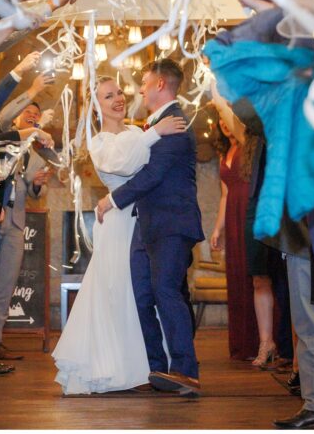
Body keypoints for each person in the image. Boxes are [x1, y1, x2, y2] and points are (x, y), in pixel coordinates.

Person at [54, 77, 187, 394]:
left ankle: (152, 364)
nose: (117, 99)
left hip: (144, 219)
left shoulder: (133, 132)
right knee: (120, 293)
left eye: (119, 93)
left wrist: (152, 134)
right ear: (96, 107)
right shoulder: (99, 142)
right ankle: (116, 366)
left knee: (143, 295)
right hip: (118, 224)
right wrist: (156, 132)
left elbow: (150, 169)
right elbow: (124, 164)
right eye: (107, 96)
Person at [96, 59, 204, 396]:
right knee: (143, 295)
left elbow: (153, 175)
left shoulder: (176, 123)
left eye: (144, 81)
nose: (139, 89)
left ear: (160, 84)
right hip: (147, 224)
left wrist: (111, 200)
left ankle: (186, 372)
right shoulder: (155, 125)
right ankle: (156, 367)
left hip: (171, 223)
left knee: (167, 291)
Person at [0, 102, 52, 360]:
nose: (32, 117)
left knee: (5, 284)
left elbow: (40, 194)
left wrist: (38, 185)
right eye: (28, 112)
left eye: (37, 115)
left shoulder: (35, 157)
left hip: (16, 224)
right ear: (15, 118)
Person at [208, 119, 268, 363]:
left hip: (250, 211)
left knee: (256, 276)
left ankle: (262, 340)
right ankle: (243, 343)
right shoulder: (225, 151)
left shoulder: (250, 145)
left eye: (227, 118)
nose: (223, 123)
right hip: (232, 216)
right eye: (219, 119)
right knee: (236, 277)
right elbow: (224, 195)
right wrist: (218, 228)